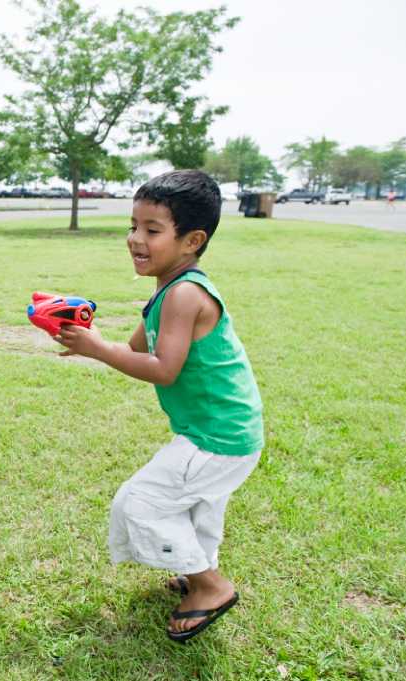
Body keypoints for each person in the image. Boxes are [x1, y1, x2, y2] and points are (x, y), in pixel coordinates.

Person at [55, 170, 264, 643]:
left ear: (192, 240)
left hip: (219, 436)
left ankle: (211, 587)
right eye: (132, 226)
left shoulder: (186, 293)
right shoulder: (168, 286)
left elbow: (163, 367)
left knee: (142, 501)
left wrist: (99, 349)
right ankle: (195, 572)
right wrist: (86, 337)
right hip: (223, 430)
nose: (135, 239)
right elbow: (133, 345)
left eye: (152, 230)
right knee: (198, 509)